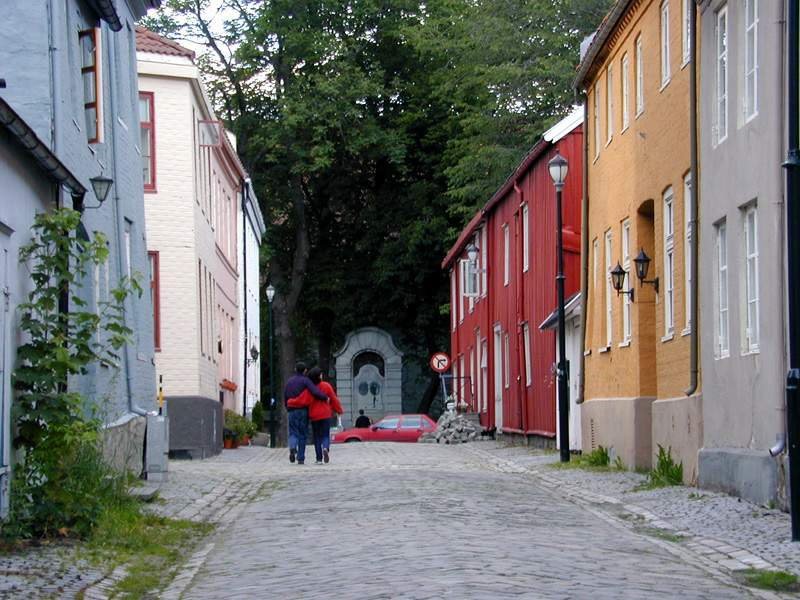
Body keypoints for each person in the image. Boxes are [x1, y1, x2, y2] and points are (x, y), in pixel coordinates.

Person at [283, 361, 327, 464]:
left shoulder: (289, 382)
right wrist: (324, 397)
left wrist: (287, 407)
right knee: (302, 434)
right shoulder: (305, 381)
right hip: (303, 410)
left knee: (293, 432)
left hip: (291, 410)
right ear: (305, 370)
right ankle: (300, 458)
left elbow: (285, 396)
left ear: (295, 369)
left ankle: (293, 447)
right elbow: (315, 391)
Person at [305, 367, 342, 464]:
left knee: (317, 437)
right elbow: (333, 399)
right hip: (325, 414)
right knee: (325, 434)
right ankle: (325, 447)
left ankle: (318, 458)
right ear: (318, 376)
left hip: (314, 415)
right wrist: (338, 410)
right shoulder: (326, 385)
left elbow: (306, 401)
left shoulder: (309, 388)